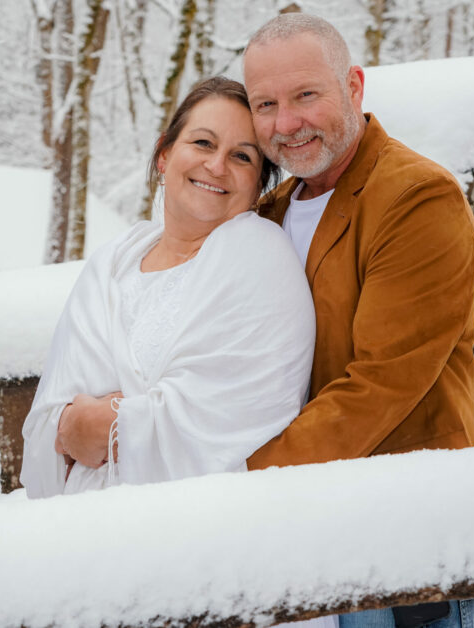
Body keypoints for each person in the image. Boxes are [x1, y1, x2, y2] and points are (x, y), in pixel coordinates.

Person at [242, 14, 474, 628]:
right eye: (265, 104)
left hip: (400, 543)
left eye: (305, 95)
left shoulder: (416, 197)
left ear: (354, 85)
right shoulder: (264, 214)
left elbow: (379, 384)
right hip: (302, 540)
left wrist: (235, 483)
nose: (285, 123)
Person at [19, 76, 316, 497]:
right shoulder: (112, 263)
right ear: (164, 154)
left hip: (188, 525)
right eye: (202, 143)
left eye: (242, 157)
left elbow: (233, 414)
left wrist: (110, 424)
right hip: (73, 519)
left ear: (257, 187)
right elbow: (49, 419)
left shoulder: (260, 258)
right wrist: (79, 423)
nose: (216, 166)